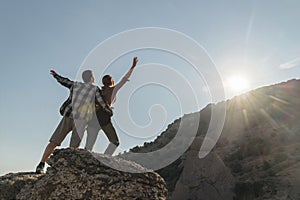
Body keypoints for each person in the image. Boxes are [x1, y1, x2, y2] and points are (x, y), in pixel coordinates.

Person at [35, 70, 111, 174]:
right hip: (81, 120)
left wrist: (56, 75)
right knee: (74, 147)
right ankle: (67, 169)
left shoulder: (75, 85)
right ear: (92, 78)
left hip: (68, 116)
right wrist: (109, 111)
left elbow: (64, 81)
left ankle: (41, 164)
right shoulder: (94, 89)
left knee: (54, 141)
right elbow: (102, 103)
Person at [85, 57, 138, 154]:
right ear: (112, 81)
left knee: (89, 145)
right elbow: (124, 79)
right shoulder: (113, 89)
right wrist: (133, 67)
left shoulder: (98, 90)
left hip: (93, 117)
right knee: (114, 141)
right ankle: (105, 158)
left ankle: (84, 162)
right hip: (104, 117)